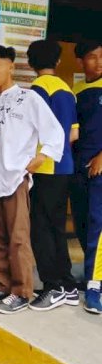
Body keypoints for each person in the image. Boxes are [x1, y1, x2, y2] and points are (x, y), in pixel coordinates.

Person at [0, 46, 64, 315]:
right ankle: (3, 284)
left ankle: (22, 290)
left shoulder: (28, 99)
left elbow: (55, 132)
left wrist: (42, 157)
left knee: (18, 237)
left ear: (10, 67)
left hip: (14, 176)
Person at [26, 39, 79, 310]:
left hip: (43, 167)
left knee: (40, 229)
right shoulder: (67, 91)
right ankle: (68, 285)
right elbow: (74, 134)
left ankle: (52, 286)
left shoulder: (35, 91)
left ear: (30, 63)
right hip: (65, 167)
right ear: (58, 62)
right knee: (57, 227)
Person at [70, 39, 102, 314]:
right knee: (81, 221)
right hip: (79, 168)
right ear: (82, 61)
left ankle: (96, 284)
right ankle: (90, 273)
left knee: (97, 225)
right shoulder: (78, 90)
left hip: (100, 168)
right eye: (93, 57)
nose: (99, 62)